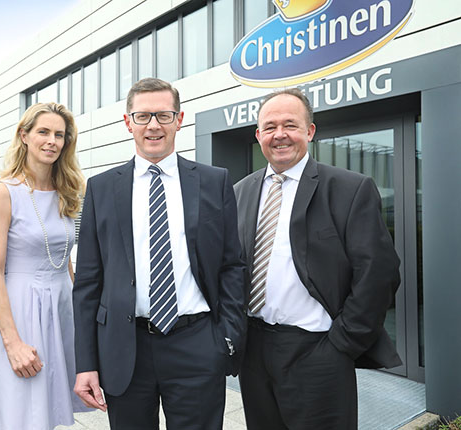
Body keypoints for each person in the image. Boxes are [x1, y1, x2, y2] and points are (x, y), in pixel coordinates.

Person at [72, 77, 247, 429]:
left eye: (164, 115)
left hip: (197, 343)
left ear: (179, 120)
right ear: (128, 123)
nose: (153, 125)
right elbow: (88, 282)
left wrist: (226, 338)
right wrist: (86, 363)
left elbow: (232, 265)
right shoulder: (101, 188)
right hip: (125, 348)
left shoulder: (214, 181)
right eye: (143, 116)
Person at [234, 88, 402, 430]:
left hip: (317, 349)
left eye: (290, 125)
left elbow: (378, 272)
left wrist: (342, 342)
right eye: (270, 126)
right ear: (258, 135)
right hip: (254, 351)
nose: (279, 134)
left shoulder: (349, 188)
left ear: (310, 131)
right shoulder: (240, 192)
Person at [0, 102, 89, 429]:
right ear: (24, 136)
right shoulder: (3, 193)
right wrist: (13, 342)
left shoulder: (68, 192)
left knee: (47, 411)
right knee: (21, 412)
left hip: (61, 308)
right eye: (43, 132)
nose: (52, 141)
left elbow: (64, 260)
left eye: (59, 135)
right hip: (21, 311)